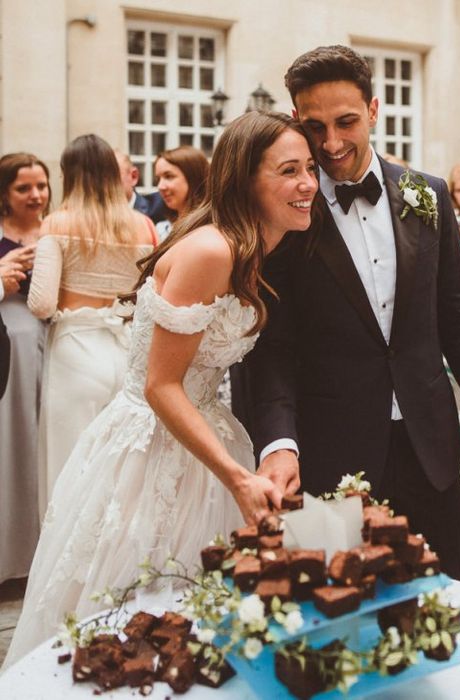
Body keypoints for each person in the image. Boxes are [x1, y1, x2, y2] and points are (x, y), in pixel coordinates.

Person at [2, 110, 317, 667]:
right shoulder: (212, 251)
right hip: (155, 448)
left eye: (310, 168)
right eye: (289, 170)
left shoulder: (254, 247)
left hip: (204, 436)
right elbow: (160, 386)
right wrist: (237, 477)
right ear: (245, 179)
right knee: (140, 626)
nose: (308, 184)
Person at [237, 45, 460, 582]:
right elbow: (270, 346)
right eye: (315, 126)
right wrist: (278, 443)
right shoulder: (283, 212)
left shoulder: (427, 195)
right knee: (335, 616)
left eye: (346, 121)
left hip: (430, 451)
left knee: (444, 601)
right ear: (296, 117)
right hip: (327, 455)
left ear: (374, 109)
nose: (332, 143)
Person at [27, 135, 157, 520]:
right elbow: (148, 298)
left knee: (69, 470)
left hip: (76, 355)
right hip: (129, 352)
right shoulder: (145, 227)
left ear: (69, 175)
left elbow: (41, 303)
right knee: (123, 472)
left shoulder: (56, 224)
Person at [0, 153, 49, 586]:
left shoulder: (57, 231)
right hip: (9, 351)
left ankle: (44, 556)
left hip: (54, 344)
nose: (36, 196)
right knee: (15, 445)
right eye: (23, 188)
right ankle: (13, 559)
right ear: (4, 194)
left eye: (41, 186)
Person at [153, 145, 209, 241]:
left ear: (193, 177)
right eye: (158, 179)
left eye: (169, 176)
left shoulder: (210, 230)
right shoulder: (161, 228)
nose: (160, 186)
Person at [114, 149, 167, 225]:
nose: (104, 184)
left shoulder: (160, 207)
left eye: (112, 177)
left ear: (133, 176)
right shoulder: (96, 216)